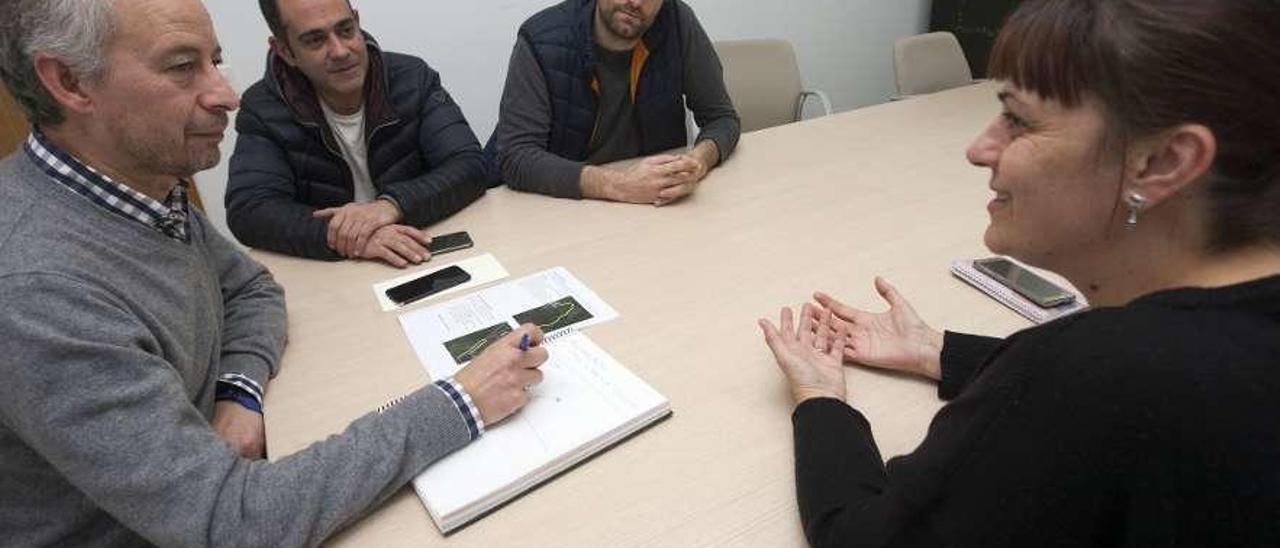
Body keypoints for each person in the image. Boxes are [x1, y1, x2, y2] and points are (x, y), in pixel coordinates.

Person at [0, 1, 546, 546]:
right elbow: (236, 522)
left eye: (215, 61)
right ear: (69, 81)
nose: (226, 96)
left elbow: (250, 287)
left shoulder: (144, 191)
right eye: (182, 67)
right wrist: (462, 401)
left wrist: (237, 390)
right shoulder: (36, 288)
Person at [758, 0, 1280, 545]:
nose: (979, 148)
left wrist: (819, 398)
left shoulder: (1092, 377)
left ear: (1164, 162)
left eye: (1019, 120)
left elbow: (866, 539)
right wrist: (939, 351)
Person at [226, 0, 487, 267]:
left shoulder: (413, 79)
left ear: (358, 22)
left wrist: (390, 206)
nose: (340, 51)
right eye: (316, 40)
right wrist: (348, 235)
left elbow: (470, 165)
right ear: (284, 50)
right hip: (336, 272)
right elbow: (250, 211)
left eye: (346, 30)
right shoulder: (263, 109)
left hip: (424, 248)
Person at [491, 0, 740, 206]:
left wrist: (697, 162)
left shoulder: (677, 21)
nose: (635, 3)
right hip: (559, 207)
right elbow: (516, 156)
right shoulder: (542, 39)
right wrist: (617, 185)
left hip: (652, 209)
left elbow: (721, 117)